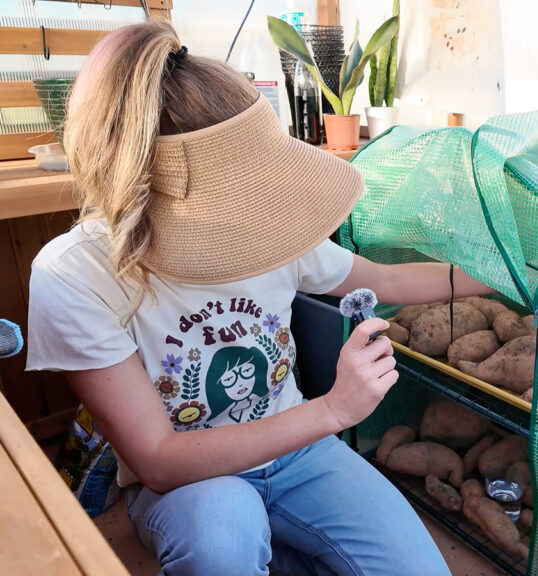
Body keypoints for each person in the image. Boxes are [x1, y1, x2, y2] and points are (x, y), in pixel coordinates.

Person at [26, 21, 493, 576]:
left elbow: (382, 280)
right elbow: (157, 459)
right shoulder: (74, 273)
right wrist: (335, 409)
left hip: (301, 454)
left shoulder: (265, 222)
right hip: (192, 483)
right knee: (222, 538)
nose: (251, 213)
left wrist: (501, 278)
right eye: (234, 199)